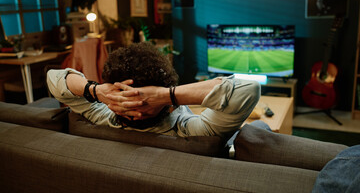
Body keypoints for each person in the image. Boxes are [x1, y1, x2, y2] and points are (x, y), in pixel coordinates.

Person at [47, 42, 260, 139]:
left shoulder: (99, 116)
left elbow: (54, 78)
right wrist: (164, 95)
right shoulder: (190, 132)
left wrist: (96, 91)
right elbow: (248, 89)